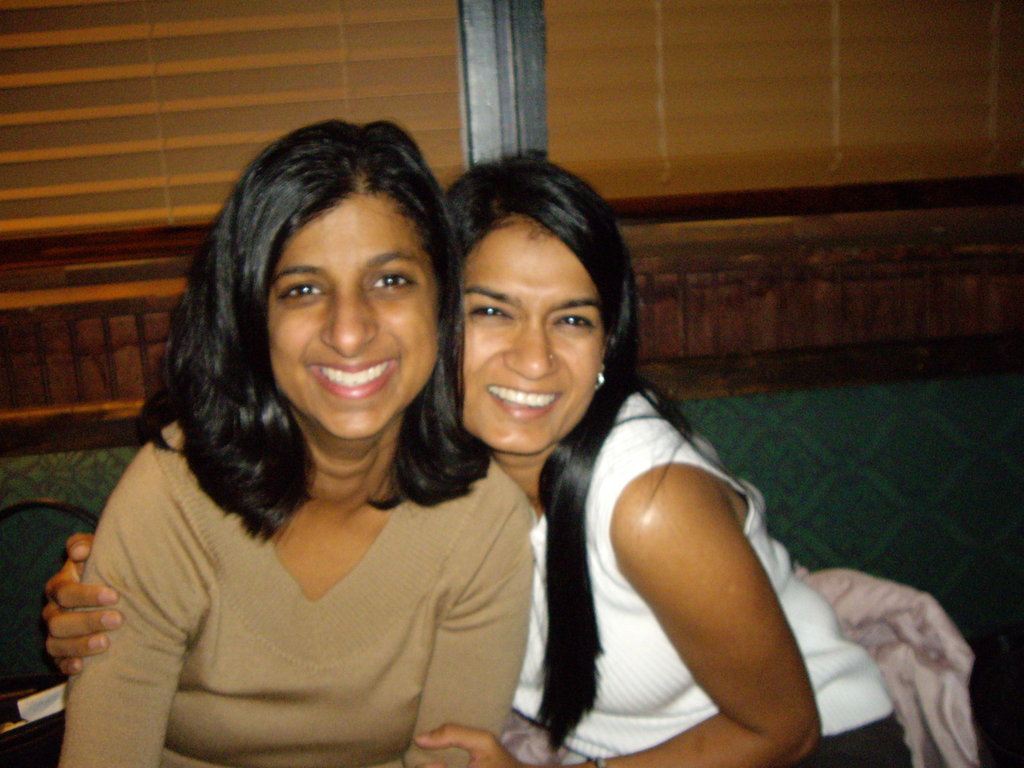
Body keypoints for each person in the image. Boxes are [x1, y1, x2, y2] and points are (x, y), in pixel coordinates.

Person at [44, 157, 911, 767]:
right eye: (493, 310)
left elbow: (784, 730)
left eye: (572, 319)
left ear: (608, 345)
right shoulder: (430, 459)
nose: (533, 360)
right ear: (439, 316)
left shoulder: (648, 502)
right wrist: (110, 592)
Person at [51, 120, 534, 768]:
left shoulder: (484, 521)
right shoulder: (171, 499)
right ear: (252, 317)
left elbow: (449, 758)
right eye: (302, 289)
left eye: (390, 280)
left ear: (442, 301)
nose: (349, 331)